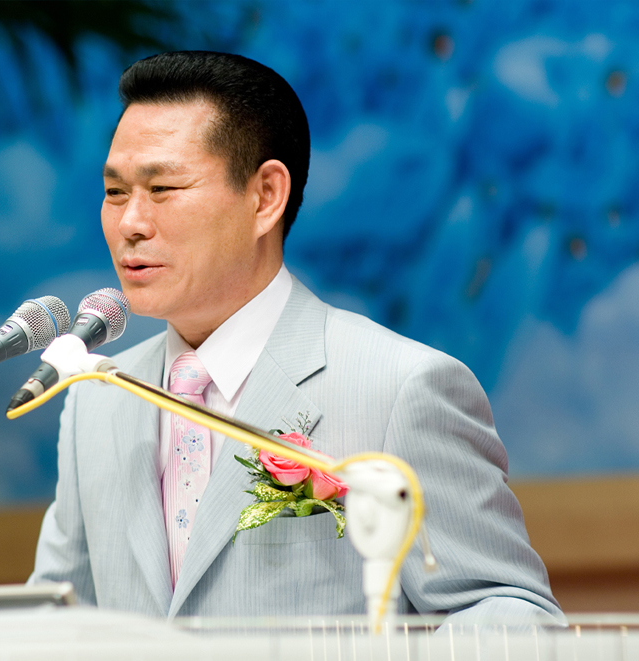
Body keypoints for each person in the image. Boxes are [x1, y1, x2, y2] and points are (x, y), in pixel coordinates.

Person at [29, 50, 563, 622]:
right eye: (115, 192)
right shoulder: (97, 397)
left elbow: (509, 611)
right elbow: (56, 616)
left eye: (162, 188)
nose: (130, 223)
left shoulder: (402, 388)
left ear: (266, 196)